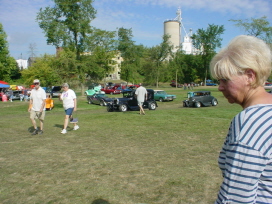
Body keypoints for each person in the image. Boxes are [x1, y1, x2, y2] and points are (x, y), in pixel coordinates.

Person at [210, 35, 272, 204]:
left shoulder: (250, 123)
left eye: (225, 80)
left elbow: (235, 198)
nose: (220, 87)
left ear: (249, 76)